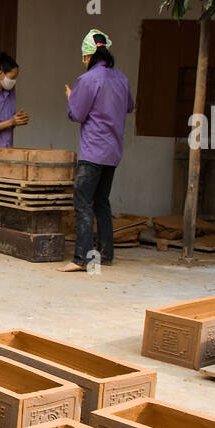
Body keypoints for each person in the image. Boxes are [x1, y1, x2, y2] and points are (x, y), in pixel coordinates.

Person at [57, 29, 135, 273]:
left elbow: (77, 114)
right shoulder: (121, 78)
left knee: (82, 202)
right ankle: (106, 254)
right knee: (102, 201)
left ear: (88, 56)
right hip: (113, 151)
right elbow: (129, 106)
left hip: (92, 151)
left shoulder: (88, 80)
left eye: (83, 57)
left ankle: (82, 258)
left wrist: (72, 97)